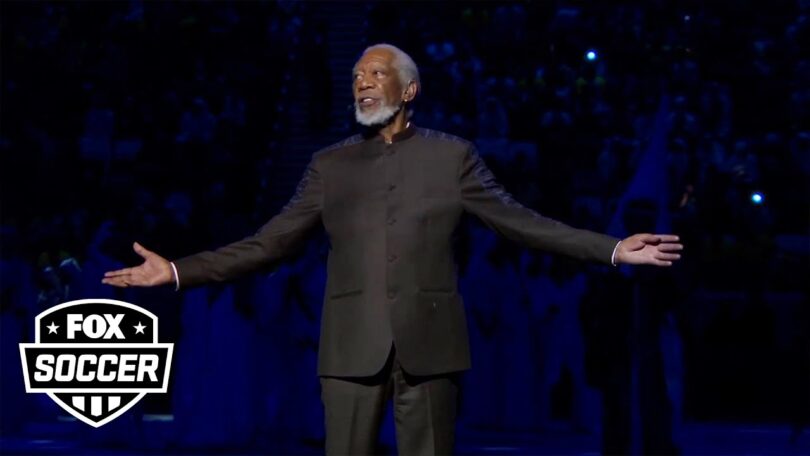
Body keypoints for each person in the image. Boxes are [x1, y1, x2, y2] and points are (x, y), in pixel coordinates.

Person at [103, 43, 684, 455]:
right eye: (356, 73)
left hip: (431, 349)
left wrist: (611, 249)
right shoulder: (328, 166)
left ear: (408, 90)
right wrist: (178, 271)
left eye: (376, 73)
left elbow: (519, 223)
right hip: (349, 351)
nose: (361, 80)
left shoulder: (452, 156)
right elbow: (268, 245)